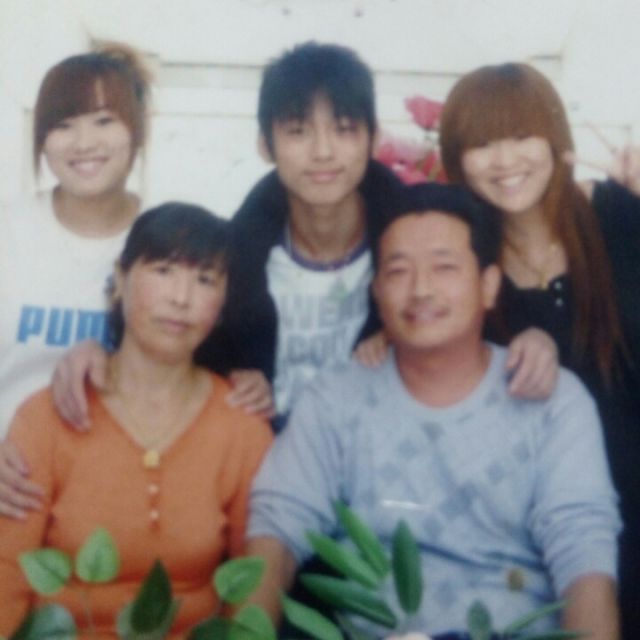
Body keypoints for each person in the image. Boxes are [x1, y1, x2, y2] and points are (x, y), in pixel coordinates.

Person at [0, 44, 556, 515]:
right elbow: (169, 346)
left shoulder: (415, 245)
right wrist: (102, 350)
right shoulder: (232, 259)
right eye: (297, 131)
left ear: (372, 139)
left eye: (344, 129)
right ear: (265, 144)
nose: (322, 152)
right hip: (259, 497)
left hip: (394, 501)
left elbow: (477, 313)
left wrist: (531, 336)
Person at [246, 184, 621, 639]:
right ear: (377, 290)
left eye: (444, 267)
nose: (421, 289)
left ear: (488, 286)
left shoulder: (554, 401)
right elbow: (278, 529)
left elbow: (583, 553)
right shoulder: (335, 398)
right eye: (399, 271)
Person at [0, 203, 272, 636]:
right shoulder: (46, 417)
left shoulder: (243, 428)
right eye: (163, 271)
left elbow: (251, 589)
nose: (181, 298)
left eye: (205, 280)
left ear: (223, 304)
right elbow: (7, 572)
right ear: (120, 280)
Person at [438, 62, 640, 639]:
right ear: (456, 158)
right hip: (553, 535)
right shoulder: (467, 267)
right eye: (481, 143)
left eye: (522, 135)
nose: (505, 160)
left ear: (555, 139)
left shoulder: (618, 214)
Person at [0, 44, 150, 440]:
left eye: (104, 120)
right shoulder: (9, 232)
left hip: (123, 469)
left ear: (137, 129)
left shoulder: (168, 241)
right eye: (64, 125)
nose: (84, 143)